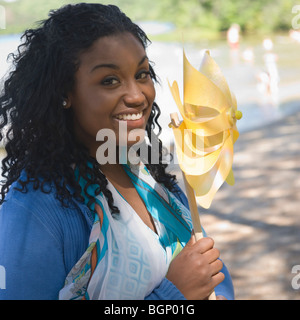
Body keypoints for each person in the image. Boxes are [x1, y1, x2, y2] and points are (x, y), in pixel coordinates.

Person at [0, 3, 234, 300]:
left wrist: (221, 293)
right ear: (63, 93)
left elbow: (209, 269)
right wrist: (172, 294)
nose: (137, 95)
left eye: (142, 74)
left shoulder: (149, 172)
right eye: (110, 80)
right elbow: (185, 286)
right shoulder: (34, 208)